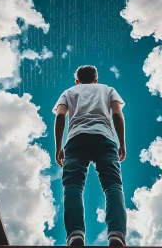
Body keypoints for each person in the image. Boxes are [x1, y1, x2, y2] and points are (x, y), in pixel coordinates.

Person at [53, 65, 127, 246]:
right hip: (104, 138)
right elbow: (117, 113)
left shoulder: (69, 92)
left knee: (73, 185)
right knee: (112, 185)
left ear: (77, 81)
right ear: (96, 79)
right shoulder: (107, 89)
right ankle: (116, 233)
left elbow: (60, 116)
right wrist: (122, 142)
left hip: (76, 140)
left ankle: (75, 234)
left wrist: (58, 147)